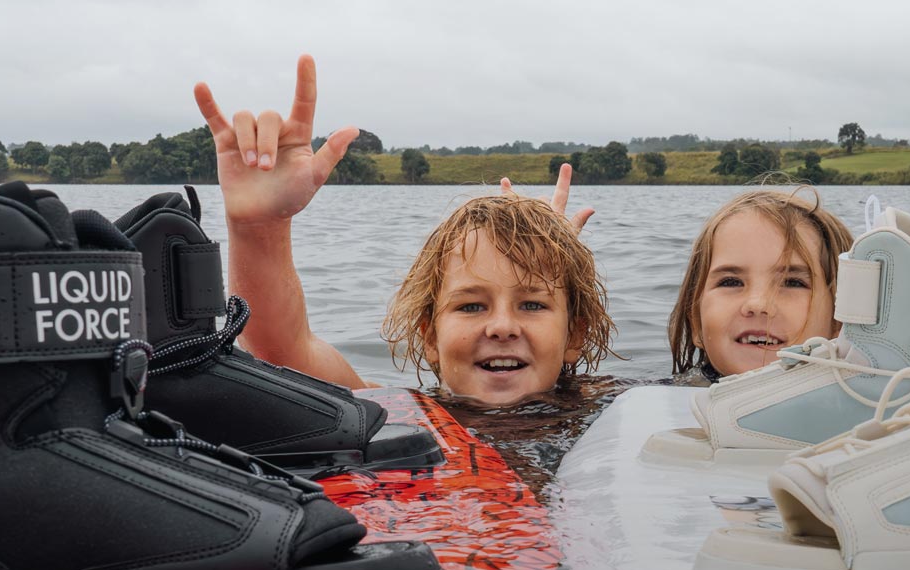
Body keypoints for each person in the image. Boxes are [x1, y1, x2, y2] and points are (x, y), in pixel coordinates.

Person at [195, 55, 614, 407]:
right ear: (429, 337)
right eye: (470, 307)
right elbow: (284, 355)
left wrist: (557, 252)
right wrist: (259, 228)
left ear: (574, 334)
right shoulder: (402, 415)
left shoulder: (612, 409)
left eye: (533, 305)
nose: (502, 327)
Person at [668, 189, 853, 381]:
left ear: (839, 320)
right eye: (731, 282)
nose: (758, 305)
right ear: (696, 322)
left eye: (791, 283)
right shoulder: (648, 401)